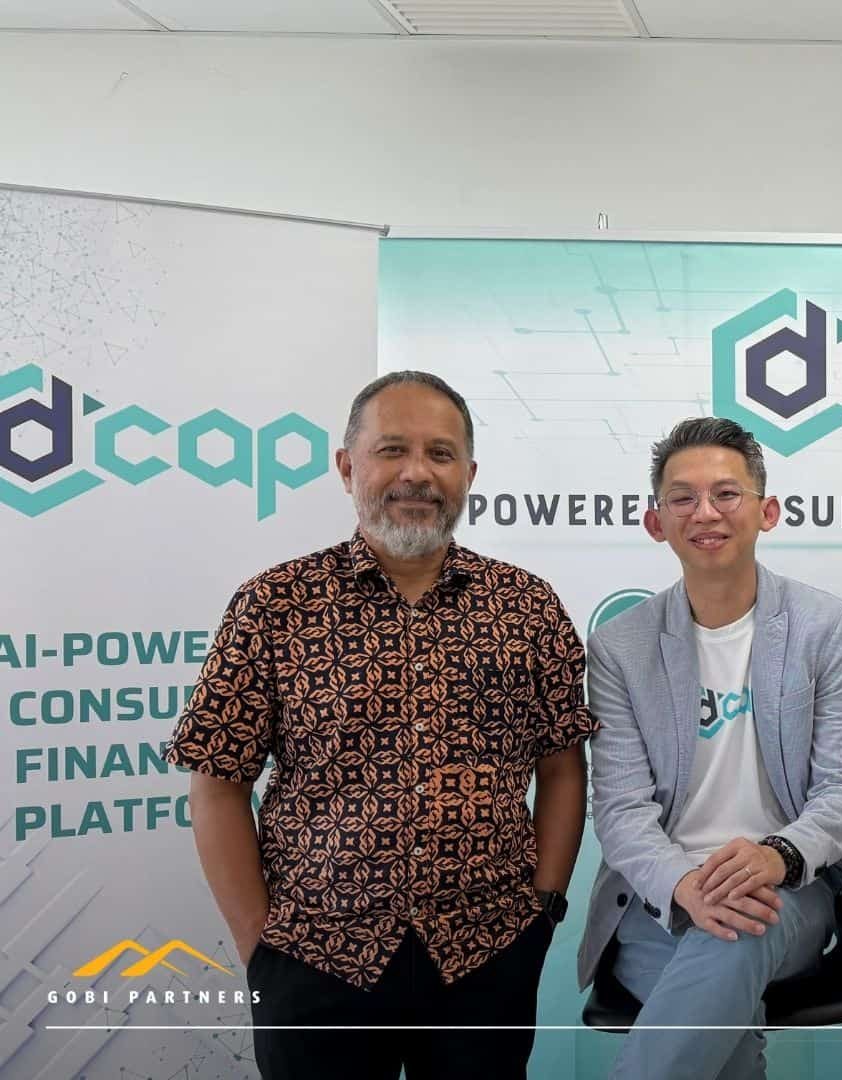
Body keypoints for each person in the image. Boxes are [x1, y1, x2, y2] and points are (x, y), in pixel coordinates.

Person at [167, 371, 593, 1080]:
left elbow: (561, 767)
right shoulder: (274, 604)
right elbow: (217, 785)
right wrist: (260, 947)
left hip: (487, 957)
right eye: (392, 450)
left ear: (470, 474)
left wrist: (542, 909)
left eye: (440, 453)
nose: (417, 473)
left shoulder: (526, 606)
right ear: (346, 467)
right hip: (314, 958)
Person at [575, 416, 842, 1080]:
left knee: (739, 930)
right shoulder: (620, 647)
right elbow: (621, 812)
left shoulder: (825, 627)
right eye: (682, 497)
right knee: (718, 1017)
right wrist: (686, 886)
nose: (705, 512)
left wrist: (776, 857)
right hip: (659, 901)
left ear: (767, 511)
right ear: (656, 522)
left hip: (786, 891)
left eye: (726, 493)